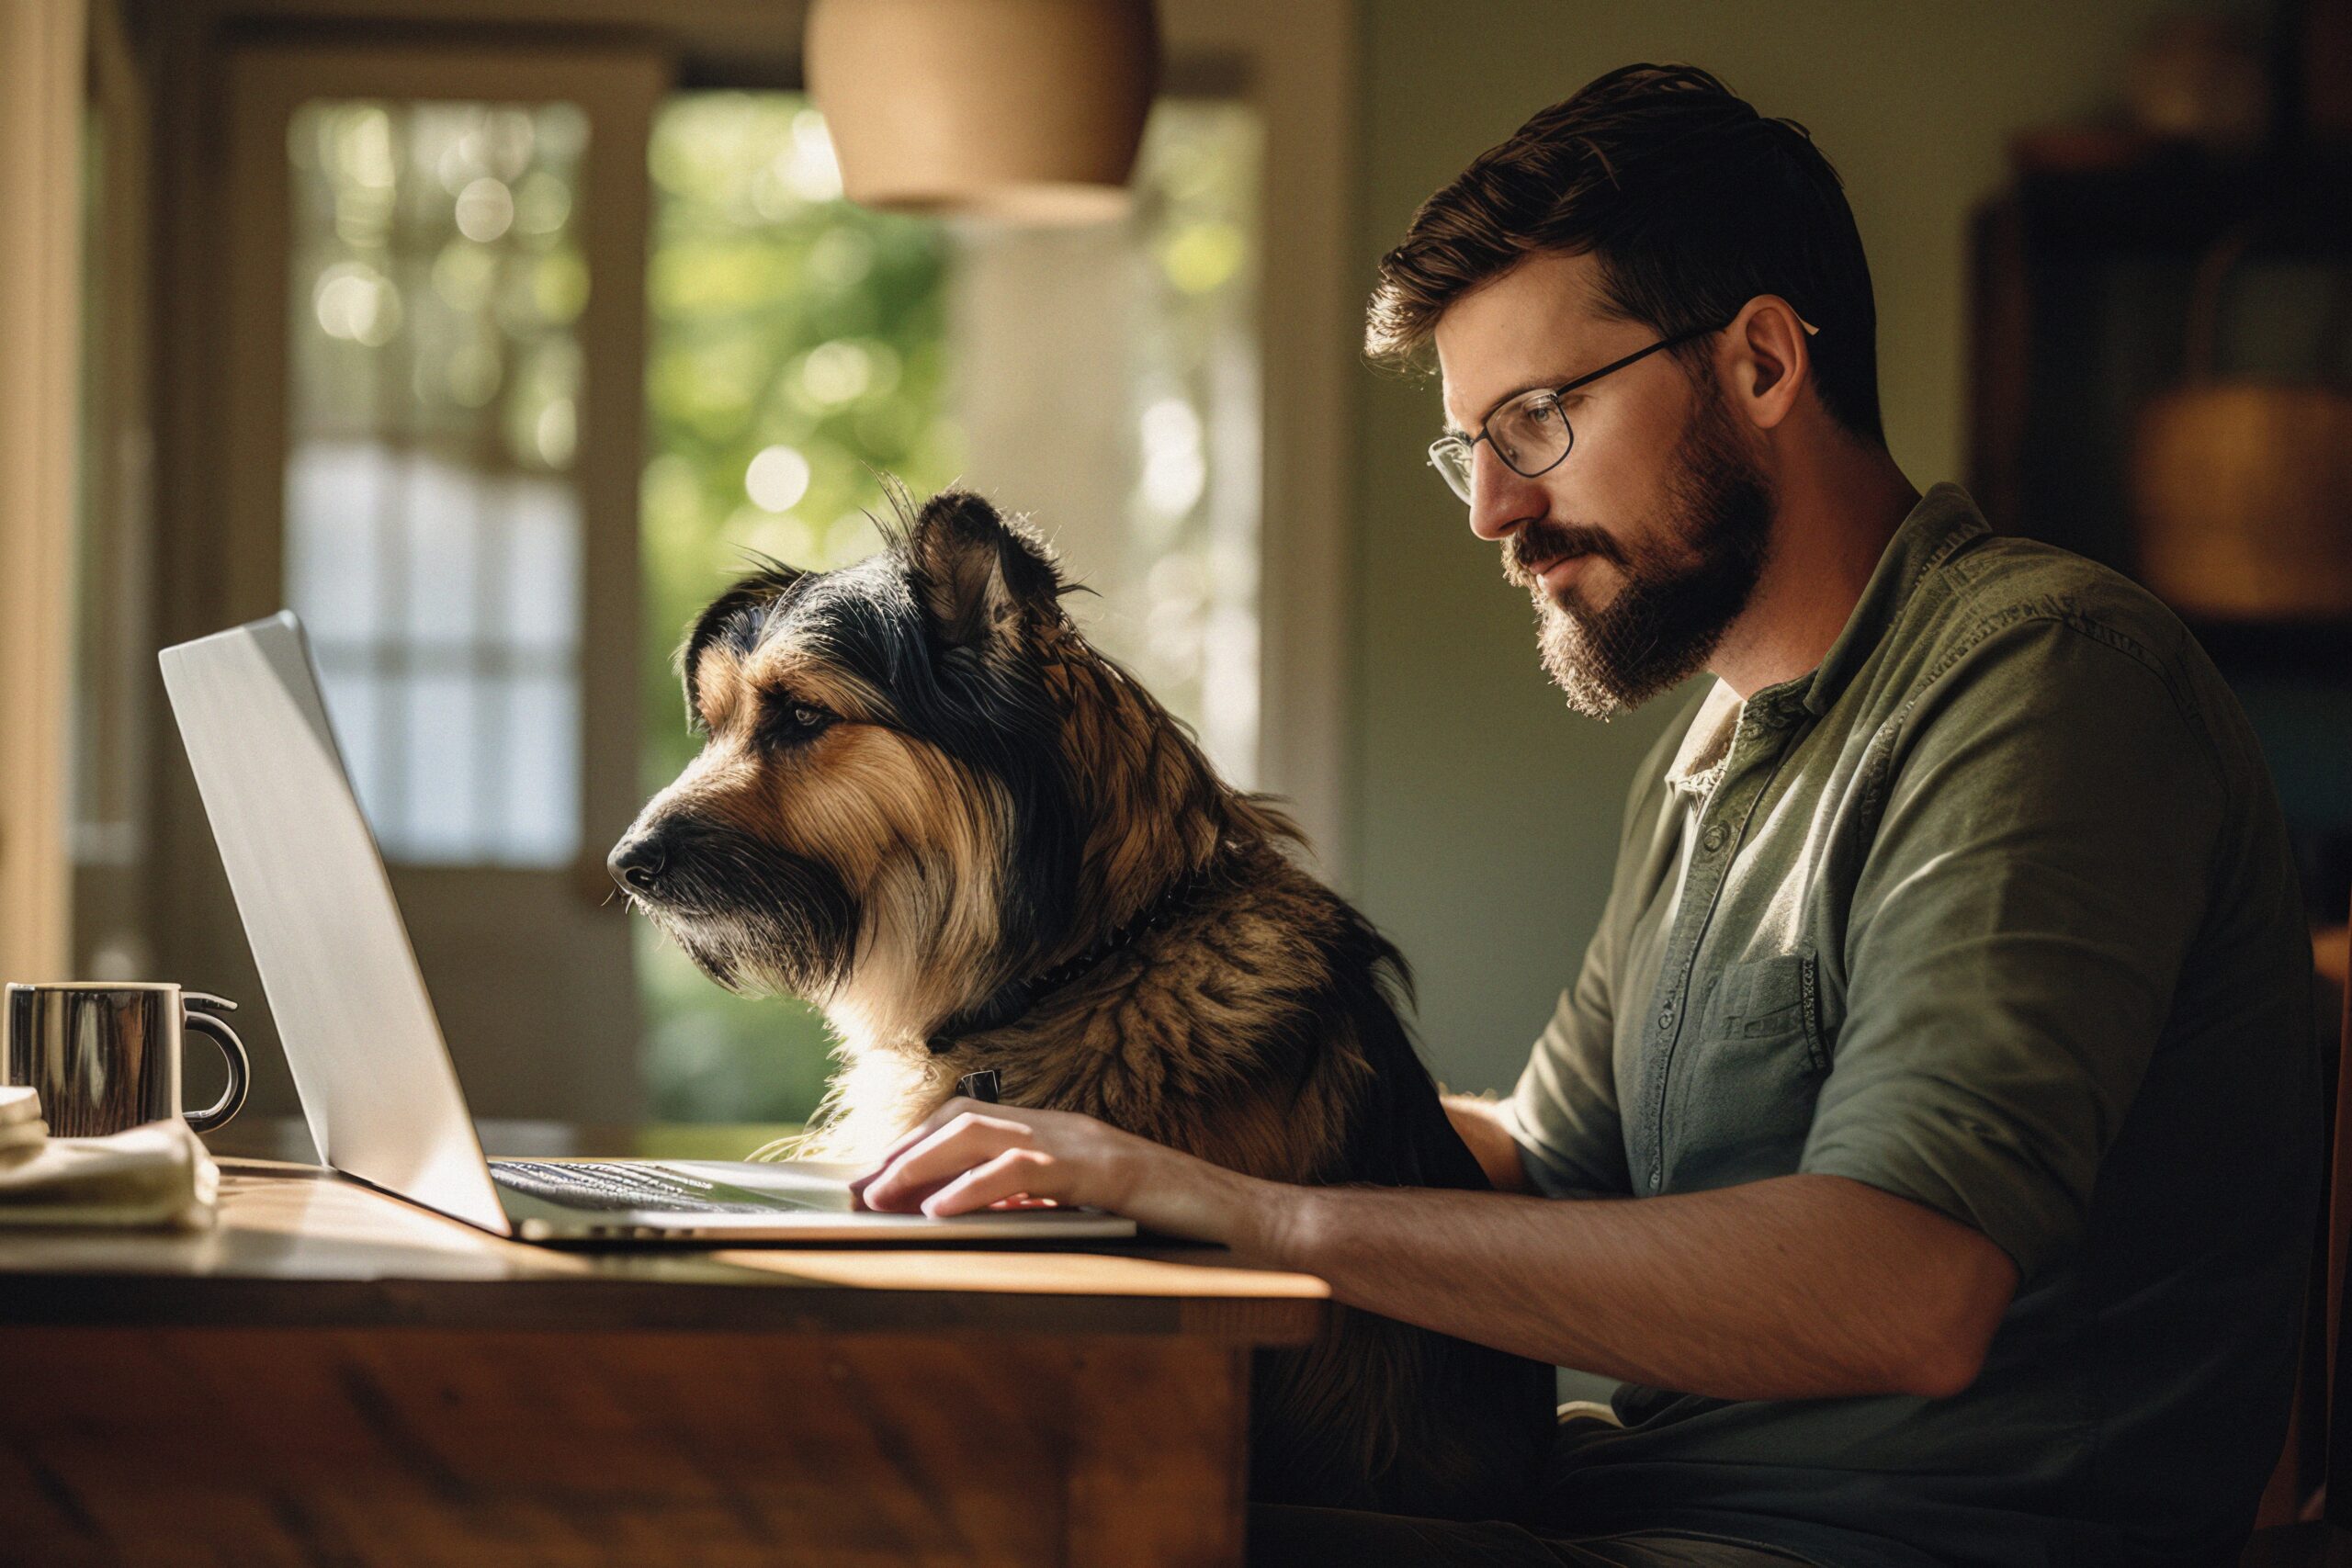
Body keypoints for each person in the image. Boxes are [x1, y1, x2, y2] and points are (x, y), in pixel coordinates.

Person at [853, 62, 2322, 1567]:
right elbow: (1537, 1162)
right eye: (1469, 443)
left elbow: (1909, 1290)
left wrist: (1260, 1216)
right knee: (987, 1500)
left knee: (1002, 1536)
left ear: (1759, 364)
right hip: (1632, 1500)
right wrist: (1105, 1128)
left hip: (1881, 1546)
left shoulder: (2043, 682)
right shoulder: (1714, 754)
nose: (1492, 508)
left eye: (1537, 421)